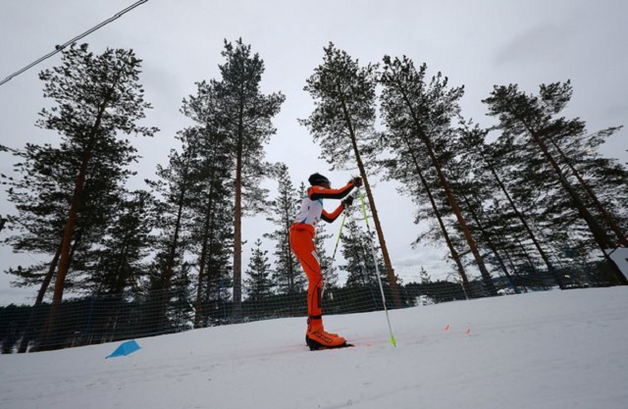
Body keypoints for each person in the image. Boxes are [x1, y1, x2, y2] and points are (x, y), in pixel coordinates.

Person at [289, 172, 363, 350]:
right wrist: (352, 184)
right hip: (300, 235)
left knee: (316, 279)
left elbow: (329, 218)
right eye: (327, 184)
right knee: (316, 279)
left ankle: (314, 329)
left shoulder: (316, 203)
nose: (328, 187)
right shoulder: (313, 191)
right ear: (321, 183)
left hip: (304, 236)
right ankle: (315, 330)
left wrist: (343, 205)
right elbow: (337, 193)